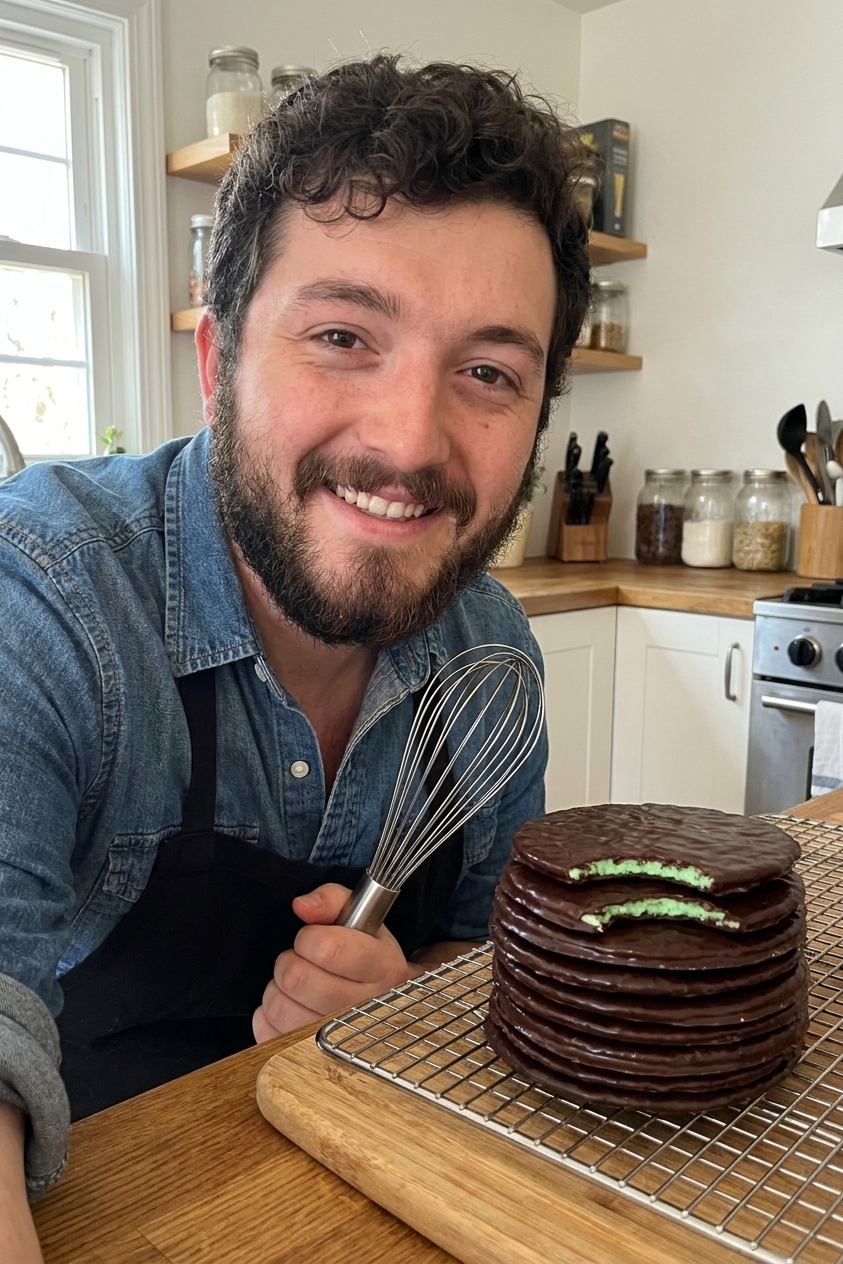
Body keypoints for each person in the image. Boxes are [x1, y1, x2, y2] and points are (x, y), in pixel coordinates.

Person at [0, 54, 591, 1259]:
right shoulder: (44, 598)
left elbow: (487, 972)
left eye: (488, 372)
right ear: (218, 367)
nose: (408, 439)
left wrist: (410, 1010)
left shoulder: (491, 666)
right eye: (341, 334)